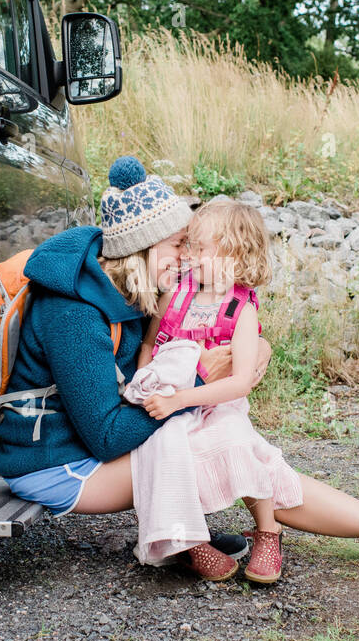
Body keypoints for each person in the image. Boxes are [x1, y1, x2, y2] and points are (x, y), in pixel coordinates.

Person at [0, 157, 359, 581]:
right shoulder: (74, 313)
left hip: (88, 444)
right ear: (141, 247)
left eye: (191, 248)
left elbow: (202, 335)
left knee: (229, 439)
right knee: (234, 448)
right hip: (62, 467)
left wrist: (256, 349)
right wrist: (197, 382)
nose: (186, 260)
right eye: (176, 247)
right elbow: (105, 434)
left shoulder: (128, 286)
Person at [129, 197, 303, 583]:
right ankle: (188, 540)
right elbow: (148, 344)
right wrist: (145, 387)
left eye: (200, 248)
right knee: (163, 446)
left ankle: (268, 531)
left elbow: (240, 381)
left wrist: (182, 399)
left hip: (214, 401)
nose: (189, 255)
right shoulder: (175, 294)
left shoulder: (241, 308)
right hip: (169, 400)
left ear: (233, 253)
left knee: (238, 438)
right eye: (187, 246)